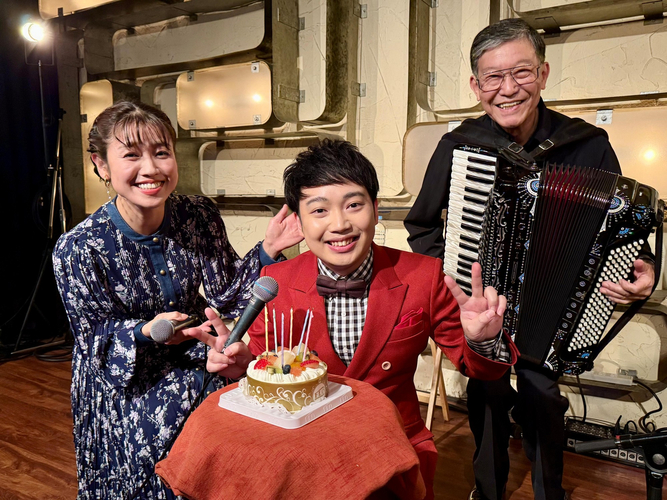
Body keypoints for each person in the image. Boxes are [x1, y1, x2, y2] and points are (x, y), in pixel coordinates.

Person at [404, 18, 656, 500]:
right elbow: (422, 225)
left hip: (551, 309)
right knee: (486, 392)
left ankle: (549, 491)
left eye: (520, 72)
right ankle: (488, 490)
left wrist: (642, 267)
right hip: (482, 307)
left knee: (543, 395)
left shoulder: (586, 144)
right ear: (476, 86)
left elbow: (617, 225)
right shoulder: (461, 146)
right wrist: (456, 277)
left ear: (542, 73)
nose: (507, 89)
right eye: (493, 77)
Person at [188, 139, 519, 499]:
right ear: (298, 221)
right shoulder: (276, 282)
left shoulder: (423, 275)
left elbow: (481, 369)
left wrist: (482, 339)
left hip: (394, 450)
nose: (340, 224)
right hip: (306, 453)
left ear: (375, 210)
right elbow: (269, 369)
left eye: (354, 205)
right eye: (319, 210)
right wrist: (243, 365)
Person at [52, 100, 303, 499]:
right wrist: (145, 331)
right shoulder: (79, 248)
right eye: (131, 155)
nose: (151, 168)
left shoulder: (198, 214)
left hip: (197, 363)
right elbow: (94, 341)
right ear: (101, 165)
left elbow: (225, 296)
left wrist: (269, 249)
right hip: (125, 385)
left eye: (161, 152)